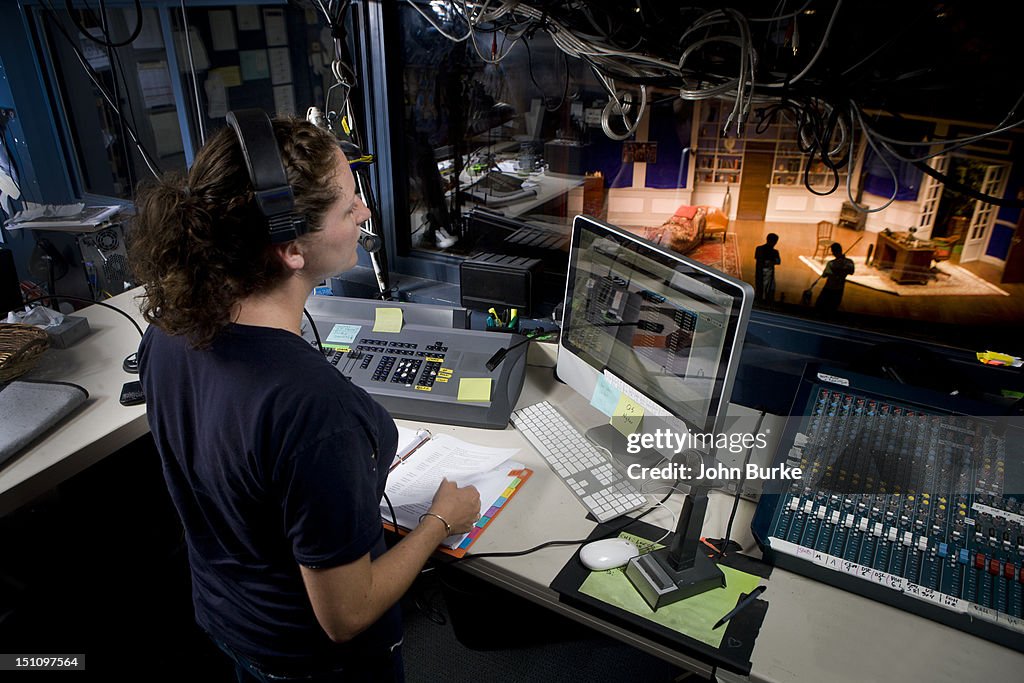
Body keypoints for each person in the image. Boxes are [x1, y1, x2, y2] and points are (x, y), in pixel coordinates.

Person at [129, 115, 481, 682]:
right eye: (347, 209)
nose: (364, 213)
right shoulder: (312, 409)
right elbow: (347, 615)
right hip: (316, 664)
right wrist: (441, 519)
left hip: (231, 623)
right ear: (292, 249)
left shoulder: (167, 332)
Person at [815, 241, 855, 314]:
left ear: (833, 252)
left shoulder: (831, 263)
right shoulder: (849, 262)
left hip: (828, 288)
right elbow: (851, 272)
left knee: (819, 306)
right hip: (839, 289)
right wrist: (843, 263)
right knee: (833, 308)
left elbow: (824, 275)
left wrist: (838, 264)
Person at [753, 233, 781, 303]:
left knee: (761, 288)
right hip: (764, 272)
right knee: (765, 289)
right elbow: (778, 261)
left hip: (762, 272)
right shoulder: (774, 252)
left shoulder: (759, 249)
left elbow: (778, 261)